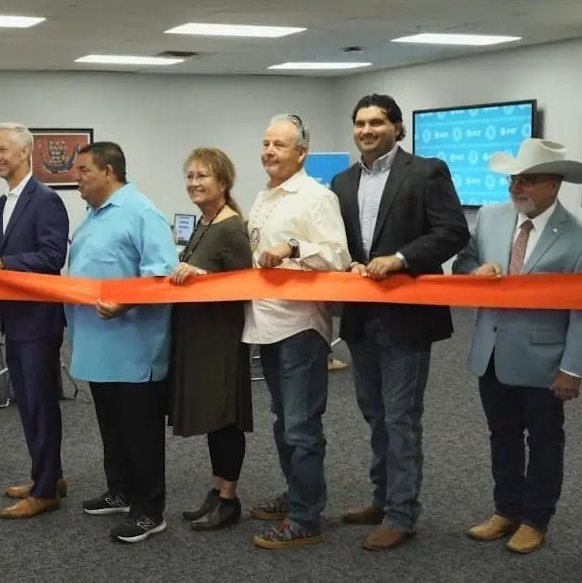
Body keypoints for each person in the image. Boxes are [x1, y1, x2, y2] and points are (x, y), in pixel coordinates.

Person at [451, 138, 582, 554]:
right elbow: (462, 262)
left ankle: (536, 519)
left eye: (528, 180)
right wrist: (475, 271)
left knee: (543, 440)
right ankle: (506, 510)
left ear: (554, 186)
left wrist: (572, 369)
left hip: (545, 360)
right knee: (501, 435)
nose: (517, 187)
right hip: (491, 353)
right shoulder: (491, 216)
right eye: (514, 179)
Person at [330, 94, 469, 550]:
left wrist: (402, 258)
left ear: (397, 127)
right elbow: (343, 243)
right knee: (375, 413)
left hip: (407, 317)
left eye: (376, 122)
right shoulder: (342, 181)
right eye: (360, 123)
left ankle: (402, 515)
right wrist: (349, 262)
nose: (367, 130)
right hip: (360, 317)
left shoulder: (426, 172)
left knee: (402, 417)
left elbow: (452, 232)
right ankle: (383, 496)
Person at [243, 116, 352, 549]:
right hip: (265, 325)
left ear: (301, 153)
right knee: (283, 422)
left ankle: (307, 516)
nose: (269, 151)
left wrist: (291, 249)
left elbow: (339, 256)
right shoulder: (264, 196)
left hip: (300, 328)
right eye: (266, 143)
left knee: (301, 426)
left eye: (280, 145)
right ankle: (296, 494)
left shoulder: (316, 197)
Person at [67, 141, 178, 544]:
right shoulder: (94, 215)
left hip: (134, 347)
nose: (76, 179)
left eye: (83, 171)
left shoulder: (142, 213)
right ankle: (120, 489)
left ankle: (150, 510)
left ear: (109, 171)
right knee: (112, 427)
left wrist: (125, 303)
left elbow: (161, 276)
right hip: (98, 346)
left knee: (140, 431)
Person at [0, 122, 70, 520]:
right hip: (14, 317)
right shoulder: (4, 202)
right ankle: (49, 475)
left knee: (39, 404)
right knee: (28, 402)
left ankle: (45, 492)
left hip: (39, 321)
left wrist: (4, 262)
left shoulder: (46, 200)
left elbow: (52, 258)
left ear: (26, 152)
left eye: (3, 150)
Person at [166, 147, 254, 532]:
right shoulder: (206, 221)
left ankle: (229, 498)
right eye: (189, 176)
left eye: (202, 176)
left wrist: (203, 279)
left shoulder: (230, 226)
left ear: (223, 181)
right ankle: (217, 489)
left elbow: (242, 286)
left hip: (223, 338)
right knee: (214, 420)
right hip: (200, 334)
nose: (194, 183)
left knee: (225, 419)